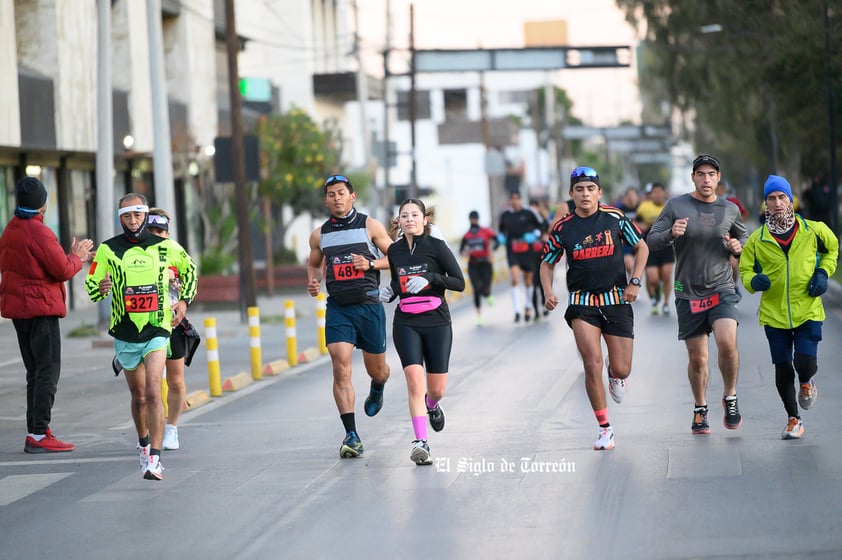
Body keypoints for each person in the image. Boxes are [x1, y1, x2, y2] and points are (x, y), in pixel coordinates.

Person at [86, 193, 197, 480]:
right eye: (127, 215)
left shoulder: (166, 247)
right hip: (125, 330)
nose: (133, 220)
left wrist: (183, 302)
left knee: (152, 390)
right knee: (138, 397)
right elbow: (91, 285)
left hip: (158, 328)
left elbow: (191, 271)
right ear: (120, 218)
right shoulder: (108, 250)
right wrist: (102, 287)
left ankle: (155, 460)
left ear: (145, 215)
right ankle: (144, 441)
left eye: (137, 214)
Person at [540, 166, 648, 451]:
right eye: (579, 189)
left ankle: (616, 377)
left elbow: (642, 247)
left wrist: (635, 282)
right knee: (592, 363)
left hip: (616, 300)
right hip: (582, 303)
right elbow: (547, 262)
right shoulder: (563, 228)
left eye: (590, 189)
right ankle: (604, 428)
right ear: (571, 194)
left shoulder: (615, 217)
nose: (585, 194)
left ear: (599, 192)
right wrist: (548, 290)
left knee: (622, 368)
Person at [647, 155, 748, 435]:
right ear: (693, 177)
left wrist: (737, 247)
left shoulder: (729, 210)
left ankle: (730, 396)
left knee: (727, 344)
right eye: (700, 174)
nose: (706, 179)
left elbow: (745, 238)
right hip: (688, 292)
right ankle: (700, 408)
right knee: (698, 358)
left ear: (718, 177)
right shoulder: (676, 205)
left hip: (721, 288)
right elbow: (651, 240)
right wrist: (670, 233)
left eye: (711, 174)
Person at [0, 177, 94, 453]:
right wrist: (78, 256)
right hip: (40, 310)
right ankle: (39, 434)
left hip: (20, 312)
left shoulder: (10, 230)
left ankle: (36, 430)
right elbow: (62, 270)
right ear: (42, 204)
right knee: (48, 370)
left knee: (35, 371)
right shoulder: (38, 232)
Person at [740, 175, 838, 439]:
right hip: (774, 314)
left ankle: (806, 382)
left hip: (807, 309)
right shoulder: (757, 239)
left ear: (791, 199)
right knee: (783, 367)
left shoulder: (813, 230)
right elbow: (745, 270)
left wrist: (823, 273)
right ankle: (794, 419)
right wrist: (753, 281)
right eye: (771, 198)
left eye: (782, 196)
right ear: (765, 205)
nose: (778, 202)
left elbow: (832, 249)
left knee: (804, 363)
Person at [307, 174, 392, 459]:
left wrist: (370, 263)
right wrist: (314, 280)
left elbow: (396, 257)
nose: (337, 198)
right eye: (331, 194)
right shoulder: (320, 234)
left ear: (352, 196)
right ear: (326, 200)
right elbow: (314, 262)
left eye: (341, 193)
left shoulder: (370, 226)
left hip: (368, 305)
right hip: (339, 307)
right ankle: (351, 434)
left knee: (376, 370)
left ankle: (378, 386)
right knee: (339, 365)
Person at [379, 198, 465, 465]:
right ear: (399, 222)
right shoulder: (394, 251)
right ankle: (421, 443)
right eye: (404, 216)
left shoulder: (436, 247)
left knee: (435, 389)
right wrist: (391, 291)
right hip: (406, 322)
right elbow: (399, 279)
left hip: (437, 321)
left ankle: (433, 405)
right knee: (415, 383)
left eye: (415, 215)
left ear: (424, 219)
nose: (409, 220)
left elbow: (459, 282)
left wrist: (431, 278)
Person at [499, 191, 545, 323]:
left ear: (520, 199)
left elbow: (541, 225)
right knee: (514, 278)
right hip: (512, 249)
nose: (514, 201)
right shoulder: (506, 215)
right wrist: (501, 236)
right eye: (512, 199)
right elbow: (501, 229)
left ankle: (528, 305)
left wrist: (535, 234)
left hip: (527, 249)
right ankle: (517, 310)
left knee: (528, 280)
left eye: (516, 199)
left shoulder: (529, 212)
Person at [636, 182, 675, 316]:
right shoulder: (644, 207)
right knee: (652, 278)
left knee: (666, 276)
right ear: (651, 194)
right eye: (654, 192)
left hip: (667, 246)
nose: (657, 194)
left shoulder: (670, 206)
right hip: (650, 247)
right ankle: (656, 294)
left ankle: (665, 303)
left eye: (660, 192)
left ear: (664, 193)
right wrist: (642, 225)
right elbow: (636, 222)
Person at [459, 210, 498, 326]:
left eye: (475, 219)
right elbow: (461, 250)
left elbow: (497, 241)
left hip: (486, 263)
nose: (474, 221)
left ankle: (488, 294)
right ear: (470, 220)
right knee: (476, 289)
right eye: (472, 219)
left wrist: (492, 251)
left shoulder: (485, 231)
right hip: (473, 264)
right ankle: (479, 316)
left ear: (478, 219)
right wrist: (465, 253)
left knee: (485, 288)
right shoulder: (466, 235)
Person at [716, 180, 748, 296]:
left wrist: (736, 225)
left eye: (721, 188)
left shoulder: (733, 202)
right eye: (717, 188)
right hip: (715, 244)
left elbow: (744, 214)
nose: (719, 191)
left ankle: (734, 286)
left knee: (733, 265)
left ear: (725, 189)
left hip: (731, 241)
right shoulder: (707, 202)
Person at [615, 187, 641, 279]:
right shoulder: (619, 210)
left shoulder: (642, 208)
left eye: (633, 195)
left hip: (642, 242)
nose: (631, 198)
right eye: (628, 195)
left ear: (637, 197)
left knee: (651, 275)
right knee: (629, 264)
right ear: (625, 198)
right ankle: (633, 282)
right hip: (627, 242)